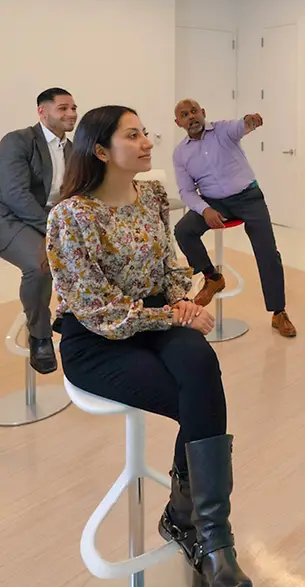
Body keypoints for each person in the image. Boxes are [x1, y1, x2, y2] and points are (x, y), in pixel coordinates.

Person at [46, 105, 253, 587]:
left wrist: (183, 302)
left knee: (201, 363)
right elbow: (100, 311)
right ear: (100, 151)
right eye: (132, 135)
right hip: (96, 340)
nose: (147, 142)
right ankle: (196, 531)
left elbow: (168, 267)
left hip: (155, 317)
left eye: (145, 133)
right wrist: (172, 314)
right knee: (196, 399)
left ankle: (212, 535)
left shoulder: (153, 196)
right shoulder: (71, 216)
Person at [172, 98, 296, 338]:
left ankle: (278, 313)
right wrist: (204, 209)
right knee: (183, 230)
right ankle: (212, 277)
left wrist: (250, 122)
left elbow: (241, 126)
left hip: (248, 197)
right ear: (178, 122)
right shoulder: (181, 154)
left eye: (195, 111)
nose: (191, 117)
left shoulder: (222, 130)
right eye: (185, 115)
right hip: (214, 202)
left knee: (267, 251)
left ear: (203, 112)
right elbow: (187, 191)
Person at [0, 88, 77, 373]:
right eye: (63, 108)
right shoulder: (18, 141)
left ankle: (68, 314)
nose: (71, 114)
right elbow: (13, 194)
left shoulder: (70, 149)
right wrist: (54, 229)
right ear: (42, 112)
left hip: (47, 218)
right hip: (8, 218)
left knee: (88, 250)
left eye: (73, 108)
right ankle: (40, 336)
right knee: (41, 264)